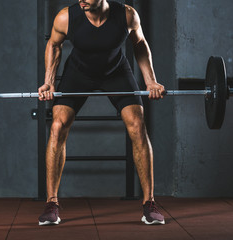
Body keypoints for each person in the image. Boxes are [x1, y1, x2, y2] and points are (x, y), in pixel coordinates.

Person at [38, 0, 166, 226]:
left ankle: (150, 203)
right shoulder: (65, 17)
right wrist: (48, 82)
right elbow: (54, 45)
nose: (81, 0)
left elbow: (139, 43)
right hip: (78, 74)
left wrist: (151, 81)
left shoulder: (127, 15)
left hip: (116, 72)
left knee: (137, 124)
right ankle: (52, 203)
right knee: (58, 126)